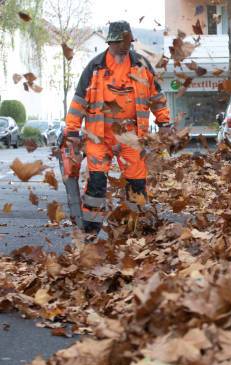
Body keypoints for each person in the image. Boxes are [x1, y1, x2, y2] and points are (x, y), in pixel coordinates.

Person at [63, 21, 171, 235]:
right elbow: (78, 103)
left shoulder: (142, 66)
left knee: (137, 182)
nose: (123, 46)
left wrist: (164, 122)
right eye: (119, 42)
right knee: (96, 184)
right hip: (99, 137)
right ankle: (90, 231)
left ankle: (136, 229)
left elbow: (157, 98)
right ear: (110, 42)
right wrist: (72, 132)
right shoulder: (94, 67)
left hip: (130, 136)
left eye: (127, 41)